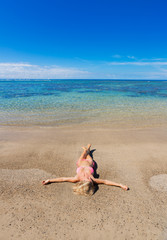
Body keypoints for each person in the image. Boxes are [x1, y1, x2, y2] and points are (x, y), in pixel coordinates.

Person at [42, 144, 128, 196]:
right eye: (90, 181)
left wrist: (49, 180)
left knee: (84, 154)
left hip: (80, 163)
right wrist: (120, 185)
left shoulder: (76, 178)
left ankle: (86, 150)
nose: (90, 179)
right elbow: (106, 181)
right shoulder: (93, 180)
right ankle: (87, 149)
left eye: (88, 180)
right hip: (90, 163)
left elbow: (63, 179)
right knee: (88, 155)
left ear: (82, 181)